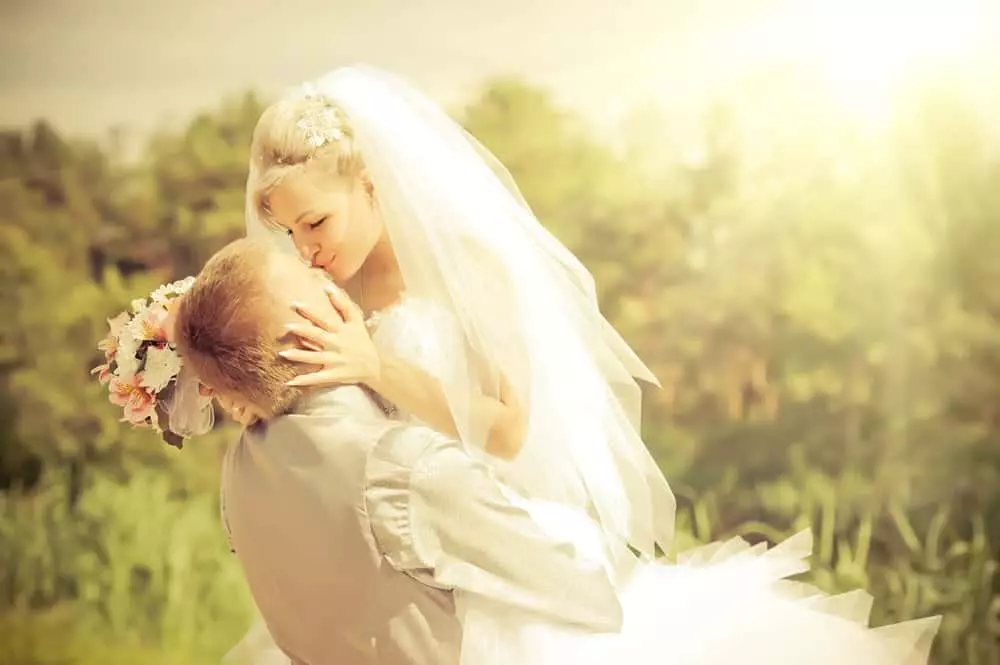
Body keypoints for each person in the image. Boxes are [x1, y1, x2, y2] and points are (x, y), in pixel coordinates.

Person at [236, 66, 941, 664]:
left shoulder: (470, 266)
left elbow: (507, 429)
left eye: (316, 222)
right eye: (290, 233)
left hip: (500, 546)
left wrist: (375, 367)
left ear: (370, 185)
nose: (306, 249)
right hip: (400, 573)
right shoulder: (326, 288)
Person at [173, 238, 625, 665]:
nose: (319, 269)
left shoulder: (238, 473)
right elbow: (587, 596)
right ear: (309, 338)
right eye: (308, 277)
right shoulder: (404, 469)